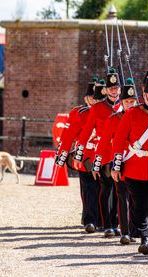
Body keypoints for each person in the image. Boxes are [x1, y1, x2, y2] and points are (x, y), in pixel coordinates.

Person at [111, 69, 148, 255]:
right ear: (144, 94)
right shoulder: (132, 113)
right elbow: (119, 140)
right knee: (140, 206)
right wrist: (117, 165)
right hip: (136, 168)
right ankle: (144, 239)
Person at [73, 68, 121, 238]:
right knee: (106, 189)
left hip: (122, 153)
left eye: (116, 88)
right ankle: (107, 223)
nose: (114, 91)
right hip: (104, 152)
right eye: (111, 89)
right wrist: (78, 157)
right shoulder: (98, 108)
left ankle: (117, 222)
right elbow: (86, 132)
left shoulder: (126, 106)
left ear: (120, 90)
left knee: (120, 191)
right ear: (106, 90)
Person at [55, 76, 105, 233]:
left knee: (104, 189)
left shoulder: (108, 112)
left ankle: (104, 220)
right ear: (86, 98)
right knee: (89, 188)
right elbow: (68, 135)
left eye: (98, 97)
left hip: (103, 154)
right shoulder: (80, 112)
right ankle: (90, 220)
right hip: (85, 156)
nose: (94, 100)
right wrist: (62, 155)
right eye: (91, 97)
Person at [92, 78, 138, 244]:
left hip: (137, 162)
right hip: (119, 160)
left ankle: (135, 230)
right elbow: (104, 141)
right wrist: (97, 163)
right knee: (122, 196)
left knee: (136, 199)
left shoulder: (141, 117)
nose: (130, 104)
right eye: (127, 101)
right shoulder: (114, 118)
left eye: (132, 101)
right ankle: (125, 232)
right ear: (123, 102)